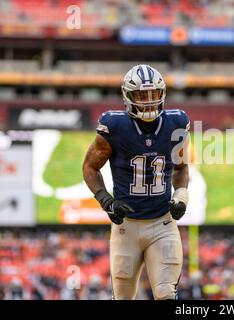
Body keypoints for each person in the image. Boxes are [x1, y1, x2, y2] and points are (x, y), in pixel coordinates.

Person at [82, 64, 190, 300]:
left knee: (166, 295)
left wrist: (181, 194)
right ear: (128, 96)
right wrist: (106, 201)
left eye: (153, 94)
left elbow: (181, 168)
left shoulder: (176, 124)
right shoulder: (115, 127)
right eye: (142, 95)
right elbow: (90, 167)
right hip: (126, 227)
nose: (149, 101)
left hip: (163, 223)